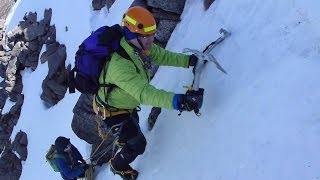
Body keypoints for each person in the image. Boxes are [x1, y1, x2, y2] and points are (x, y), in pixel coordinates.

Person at [93, 6, 203, 180]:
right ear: (132, 35)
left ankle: (124, 139)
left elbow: (161, 56)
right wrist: (179, 101)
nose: (151, 39)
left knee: (132, 129)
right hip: (112, 112)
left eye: (153, 33)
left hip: (125, 103)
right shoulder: (119, 66)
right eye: (147, 35)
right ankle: (117, 165)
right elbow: (144, 93)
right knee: (139, 145)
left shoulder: (138, 45)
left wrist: (188, 61)